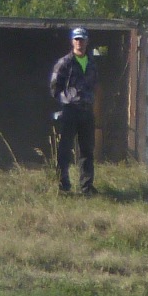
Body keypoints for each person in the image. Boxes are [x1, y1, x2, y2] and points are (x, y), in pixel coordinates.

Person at [49, 26, 98, 196]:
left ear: (87, 41)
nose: (79, 43)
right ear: (72, 41)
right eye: (76, 39)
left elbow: (94, 84)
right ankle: (63, 185)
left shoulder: (91, 62)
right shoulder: (64, 62)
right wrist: (66, 100)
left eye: (82, 39)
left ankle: (87, 187)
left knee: (87, 151)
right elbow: (54, 87)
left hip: (87, 111)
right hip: (70, 111)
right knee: (65, 149)